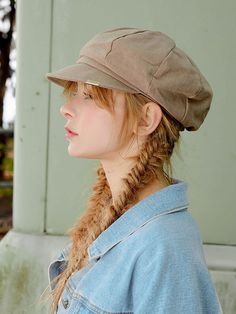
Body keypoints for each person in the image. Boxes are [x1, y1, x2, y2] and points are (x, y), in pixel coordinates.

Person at [44, 27, 223, 313]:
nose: (66, 108)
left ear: (146, 118)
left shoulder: (165, 252)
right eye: (73, 93)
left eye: (88, 96)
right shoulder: (116, 218)